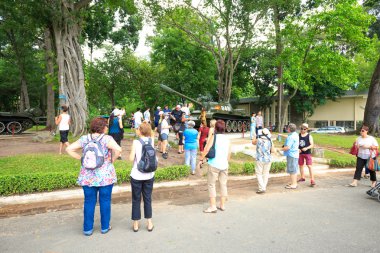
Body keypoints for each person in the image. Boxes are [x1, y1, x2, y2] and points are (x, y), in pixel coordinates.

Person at [66, 117, 121, 236]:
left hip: (87, 176)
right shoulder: (107, 139)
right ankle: (105, 227)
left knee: (89, 202)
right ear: (103, 127)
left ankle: (87, 229)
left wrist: (80, 159)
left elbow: (69, 148)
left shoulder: (85, 138)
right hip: (105, 176)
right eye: (106, 126)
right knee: (105, 201)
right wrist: (112, 160)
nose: (107, 128)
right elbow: (118, 149)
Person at [129, 122, 155, 232]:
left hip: (136, 175)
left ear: (140, 130)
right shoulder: (151, 140)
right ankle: (149, 223)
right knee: (148, 198)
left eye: (137, 128)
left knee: (136, 199)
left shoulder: (135, 142)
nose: (136, 130)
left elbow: (131, 159)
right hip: (149, 174)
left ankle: (135, 223)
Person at [200, 120, 231, 213]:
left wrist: (201, 159)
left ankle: (213, 206)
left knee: (211, 184)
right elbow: (229, 153)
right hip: (224, 165)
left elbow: (206, 149)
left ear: (216, 128)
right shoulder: (227, 139)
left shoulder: (214, 137)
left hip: (214, 164)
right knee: (223, 184)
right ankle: (222, 205)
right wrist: (226, 162)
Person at [252, 128, 274, 194]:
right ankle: (263, 187)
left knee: (259, 173)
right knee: (266, 173)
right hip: (268, 159)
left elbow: (253, 142)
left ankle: (262, 188)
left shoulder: (258, 140)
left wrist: (254, 136)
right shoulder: (270, 140)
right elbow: (272, 150)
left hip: (259, 159)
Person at [281, 123, 299, 189]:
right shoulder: (295, 134)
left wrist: (280, 149)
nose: (286, 128)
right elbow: (289, 138)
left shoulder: (291, 137)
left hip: (291, 155)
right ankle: (294, 183)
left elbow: (287, 147)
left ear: (289, 129)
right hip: (295, 154)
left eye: (287, 127)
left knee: (292, 170)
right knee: (294, 169)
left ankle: (294, 184)